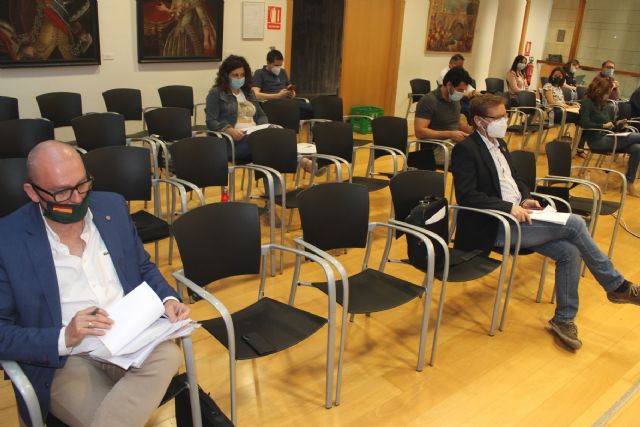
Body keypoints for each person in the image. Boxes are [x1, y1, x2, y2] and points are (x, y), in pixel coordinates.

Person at [0, 141, 191, 427]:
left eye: (82, 185)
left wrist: (168, 299)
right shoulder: (7, 240)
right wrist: (65, 337)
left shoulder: (111, 206)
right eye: (62, 192)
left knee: (169, 355)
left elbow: (142, 266)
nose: (77, 199)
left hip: (129, 339)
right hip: (64, 361)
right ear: (33, 192)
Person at [451, 94, 639, 351]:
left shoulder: (500, 144)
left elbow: (515, 180)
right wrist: (509, 207)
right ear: (479, 121)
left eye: (505, 116)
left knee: (569, 251)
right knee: (575, 224)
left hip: (521, 216)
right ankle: (617, 286)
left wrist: (525, 199)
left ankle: (564, 319)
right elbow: (467, 195)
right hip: (494, 225)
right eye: (497, 118)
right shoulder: (466, 149)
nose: (504, 121)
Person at [580, 77, 640, 197]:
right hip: (597, 141)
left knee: (637, 148)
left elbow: (610, 125)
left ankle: (629, 183)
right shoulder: (587, 102)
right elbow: (584, 124)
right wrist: (602, 125)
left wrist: (619, 125)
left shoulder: (603, 104)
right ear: (599, 90)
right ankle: (628, 183)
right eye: (607, 92)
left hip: (609, 137)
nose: (608, 95)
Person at [205, 54, 268, 163]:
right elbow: (211, 121)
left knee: (276, 138)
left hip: (254, 136)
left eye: (242, 75)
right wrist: (230, 130)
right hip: (233, 140)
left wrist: (263, 127)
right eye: (235, 75)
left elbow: (261, 115)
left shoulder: (249, 92)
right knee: (269, 148)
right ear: (226, 76)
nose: (239, 78)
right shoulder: (216, 93)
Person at [414, 66, 474, 163]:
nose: (462, 93)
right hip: (436, 149)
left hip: (452, 144)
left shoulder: (454, 99)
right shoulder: (428, 100)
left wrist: (475, 131)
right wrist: (450, 134)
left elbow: (457, 124)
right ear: (449, 85)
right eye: (460, 90)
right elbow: (419, 132)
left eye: (463, 91)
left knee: (481, 151)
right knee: (471, 158)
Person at [252, 49, 313, 119]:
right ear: (268, 62)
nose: (278, 68)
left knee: (310, 108)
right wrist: (277, 96)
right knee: (303, 110)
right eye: (276, 65)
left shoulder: (282, 72)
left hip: (286, 102)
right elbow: (255, 94)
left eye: (280, 65)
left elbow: (290, 88)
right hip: (271, 104)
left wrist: (292, 94)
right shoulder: (259, 73)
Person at [437, 53, 477, 119]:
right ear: (450, 64)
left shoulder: (461, 73)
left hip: (457, 98)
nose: (461, 68)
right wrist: (464, 94)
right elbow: (452, 92)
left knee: (475, 106)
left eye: (461, 66)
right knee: (468, 109)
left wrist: (472, 91)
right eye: (458, 66)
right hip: (451, 98)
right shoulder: (444, 74)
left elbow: (467, 86)